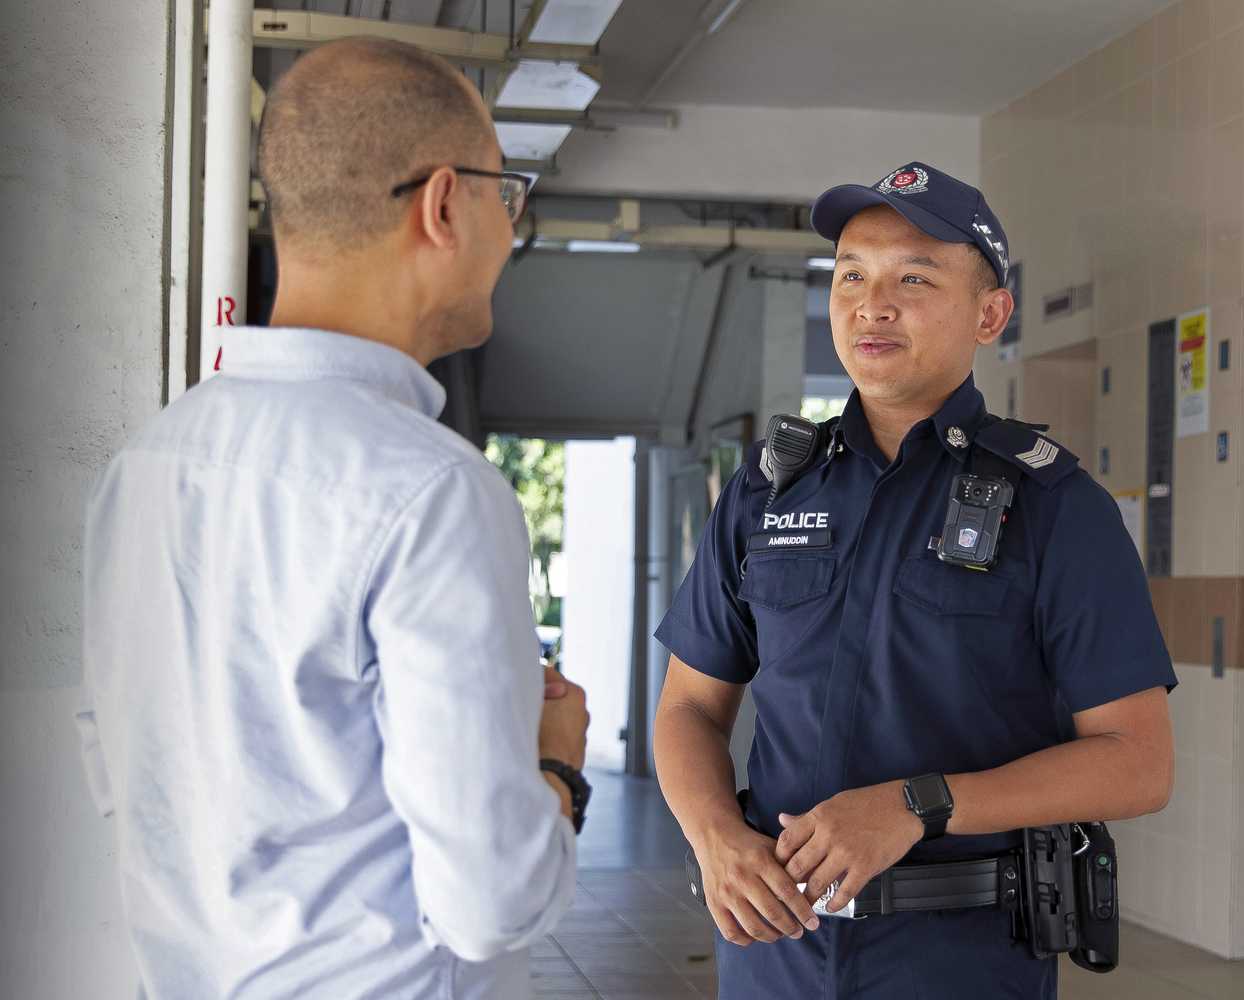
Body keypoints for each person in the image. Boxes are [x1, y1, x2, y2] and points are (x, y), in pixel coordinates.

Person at [76, 38, 590, 999]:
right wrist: (556, 771)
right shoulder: (433, 493)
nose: (511, 232)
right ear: (444, 204)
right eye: (503, 194)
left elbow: (125, 776)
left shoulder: (145, 465)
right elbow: (490, 903)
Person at [652, 161, 1176, 999]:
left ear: (990, 314)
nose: (872, 303)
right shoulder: (767, 491)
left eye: (914, 278)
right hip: (773, 956)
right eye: (851, 275)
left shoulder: (1055, 507)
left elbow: (1137, 762)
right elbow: (687, 707)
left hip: (958, 960)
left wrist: (916, 804)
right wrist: (715, 837)